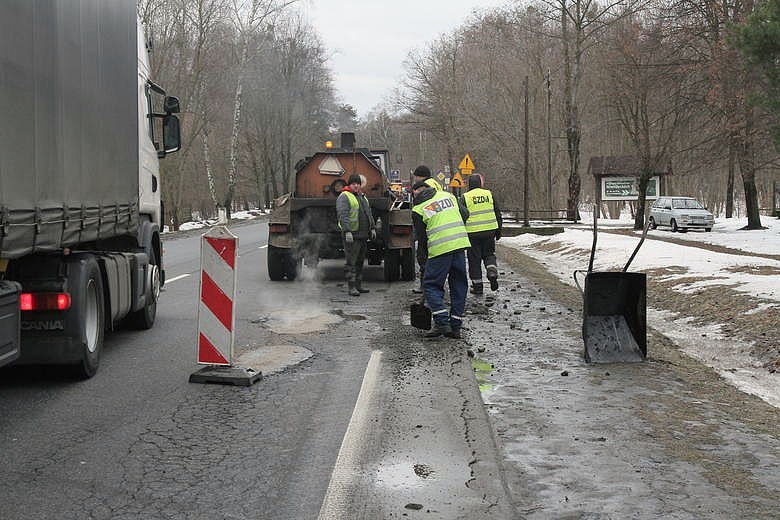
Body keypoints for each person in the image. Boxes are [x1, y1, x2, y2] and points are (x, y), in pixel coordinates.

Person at [411, 180, 471, 339]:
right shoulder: (448, 196)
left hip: (440, 248)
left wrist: (423, 259)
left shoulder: (418, 209)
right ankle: (456, 326)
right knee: (459, 285)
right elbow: (465, 214)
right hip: (459, 243)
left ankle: (442, 322)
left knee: (430, 285)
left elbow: (422, 238)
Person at [461, 174, 503, 294]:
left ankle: (478, 286)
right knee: (489, 254)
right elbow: (497, 213)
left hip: (472, 234)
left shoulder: (465, 197)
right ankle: (492, 272)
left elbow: (462, 216)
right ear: (480, 183)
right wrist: (498, 231)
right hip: (489, 231)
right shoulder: (489, 194)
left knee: (474, 260)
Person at [337, 173, 376, 296]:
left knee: (359, 261)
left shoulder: (362, 196)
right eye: (354, 183)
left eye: (358, 184)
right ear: (350, 184)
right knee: (351, 262)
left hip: (363, 234)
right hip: (352, 236)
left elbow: (368, 213)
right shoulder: (344, 196)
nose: (356, 186)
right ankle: (351, 286)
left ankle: (358, 285)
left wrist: (373, 228)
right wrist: (347, 230)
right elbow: (343, 215)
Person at [410, 165, 442, 293]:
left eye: (416, 177)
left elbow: (423, 204)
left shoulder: (425, 185)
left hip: (428, 223)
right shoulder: (435, 183)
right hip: (438, 222)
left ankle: (425, 286)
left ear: (420, 176)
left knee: (423, 256)